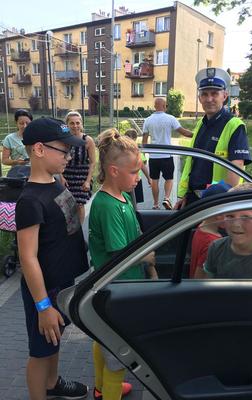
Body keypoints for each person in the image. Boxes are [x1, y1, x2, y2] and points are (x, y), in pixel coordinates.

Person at [15, 117, 90, 400]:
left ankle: (52, 383)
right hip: (43, 291)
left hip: (61, 283)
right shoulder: (31, 200)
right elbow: (28, 257)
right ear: (39, 149)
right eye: (63, 150)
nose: (69, 156)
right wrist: (43, 306)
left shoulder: (55, 182)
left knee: (54, 340)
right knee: (40, 351)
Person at [89, 128, 157, 400]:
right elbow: (119, 251)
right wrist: (147, 257)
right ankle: (110, 391)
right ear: (114, 171)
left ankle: (100, 387)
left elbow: (135, 234)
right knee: (118, 354)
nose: (138, 178)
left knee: (103, 340)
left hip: (125, 284)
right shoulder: (107, 206)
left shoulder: (124, 198)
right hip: (117, 288)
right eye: (133, 172)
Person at [176, 67, 252, 209]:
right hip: (193, 200)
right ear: (199, 98)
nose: (209, 99)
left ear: (224, 96)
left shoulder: (235, 126)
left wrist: (217, 206)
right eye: (204, 94)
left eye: (214, 93)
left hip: (216, 203)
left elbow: (235, 174)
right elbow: (192, 164)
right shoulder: (201, 124)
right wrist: (185, 194)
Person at [142, 97, 192, 210]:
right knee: (169, 178)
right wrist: (196, 134)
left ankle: (155, 204)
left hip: (154, 156)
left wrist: (144, 155)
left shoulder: (148, 120)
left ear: (155, 106)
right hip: (167, 155)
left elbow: (144, 140)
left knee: (154, 180)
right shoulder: (170, 118)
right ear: (165, 106)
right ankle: (167, 198)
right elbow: (183, 132)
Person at [190, 182, 231, 279]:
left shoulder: (201, 227)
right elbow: (199, 280)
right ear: (219, 215)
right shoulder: (213, 244)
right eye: (230, 215)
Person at [62, 110, 96, 224]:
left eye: (77, 123)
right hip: (66, 176)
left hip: (82, 176)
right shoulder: (63, 139)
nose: (75, 126)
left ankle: (79, 231)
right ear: (67, 125)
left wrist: (88, 181)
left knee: (80, 205)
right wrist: (61, 177)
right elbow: (58, 159)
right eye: (72, 123)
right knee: (66, 205)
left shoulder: (88, 140)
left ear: (81, 124)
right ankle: (69, 229)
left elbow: (92, 162)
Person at [124, 128, 151, 203]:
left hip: (123, 179)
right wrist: (149, 178)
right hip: (136, 179)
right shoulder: (136, 149)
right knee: (134, 202)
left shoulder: (120, 149)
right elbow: (142, 165)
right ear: (135, 139)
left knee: (124, 200)